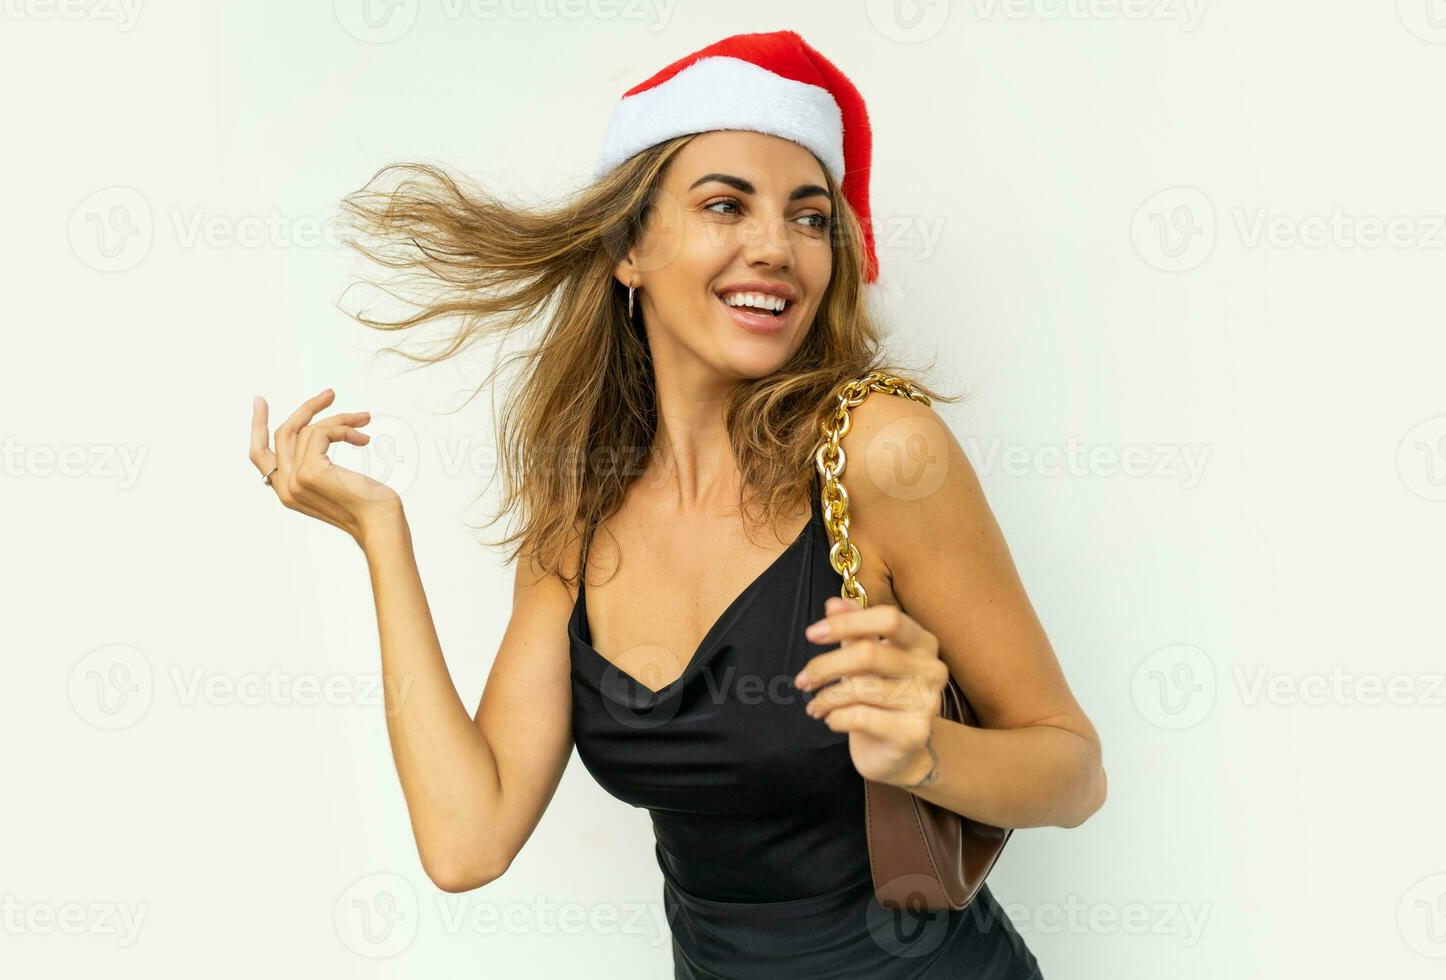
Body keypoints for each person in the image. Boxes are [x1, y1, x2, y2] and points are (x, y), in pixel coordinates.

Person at [248, 29, 1103, 979]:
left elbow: (1072, 770)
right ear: (628, 247)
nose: (776, 248)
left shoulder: (882, 453)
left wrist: (926, 754)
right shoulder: (582, 511)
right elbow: (466, 840)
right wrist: (381, 538)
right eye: (725, 205)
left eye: (811, 217)